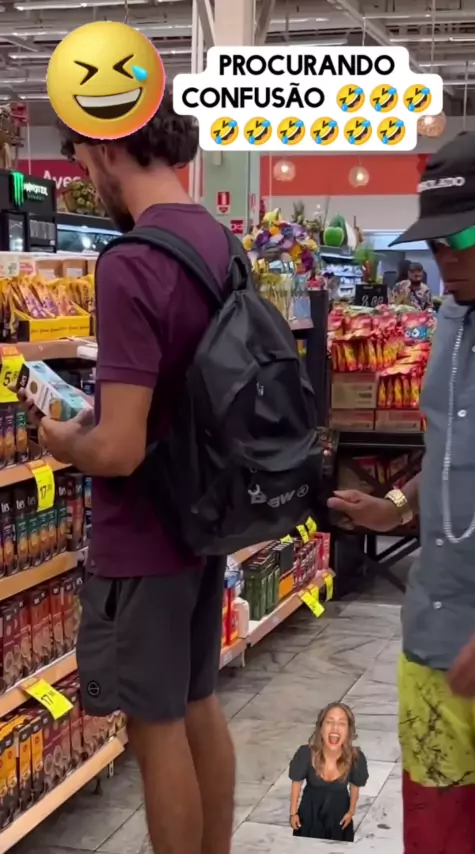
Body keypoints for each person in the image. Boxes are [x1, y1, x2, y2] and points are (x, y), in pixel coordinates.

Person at [24, 88, 235, 854]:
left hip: (145, 533)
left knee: (155, 727)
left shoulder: (132, 261)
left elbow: (118, 450)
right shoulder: (218, 239)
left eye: (83, 158)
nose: (86, 175)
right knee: (198, 702)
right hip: (203, 520)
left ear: (110, 146)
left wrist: (62, 439)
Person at [329, 130, 475, 854]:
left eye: (463, 238)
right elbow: (452, 457)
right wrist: (394, 507)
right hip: (433, 643)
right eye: (436, 243)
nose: (446, 257)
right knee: (438, 832)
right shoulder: (449, 318)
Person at [289, 703, 368, 841]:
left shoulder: (356, 758)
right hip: (309, 816)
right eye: (329, 722)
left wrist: (351, 812)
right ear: (321, 727)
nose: (335, 727)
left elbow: (355, 786)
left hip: (339, 818)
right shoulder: (305, 753)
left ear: (348, 730)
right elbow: (296, 782)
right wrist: (293, 813)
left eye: (341, 723)